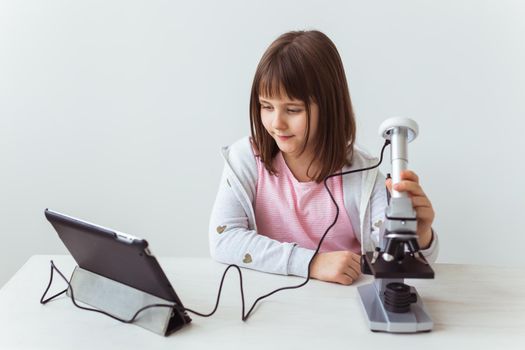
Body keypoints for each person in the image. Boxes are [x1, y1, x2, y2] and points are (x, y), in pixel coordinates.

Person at [209, 30, 438, 286]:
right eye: (266, 107)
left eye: (293, 110)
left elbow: (395, 257)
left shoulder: (364, 176)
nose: (276, 124)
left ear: (328, 107)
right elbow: (223, 239)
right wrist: (312, 262)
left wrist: (421, 234)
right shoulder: (245, 159)